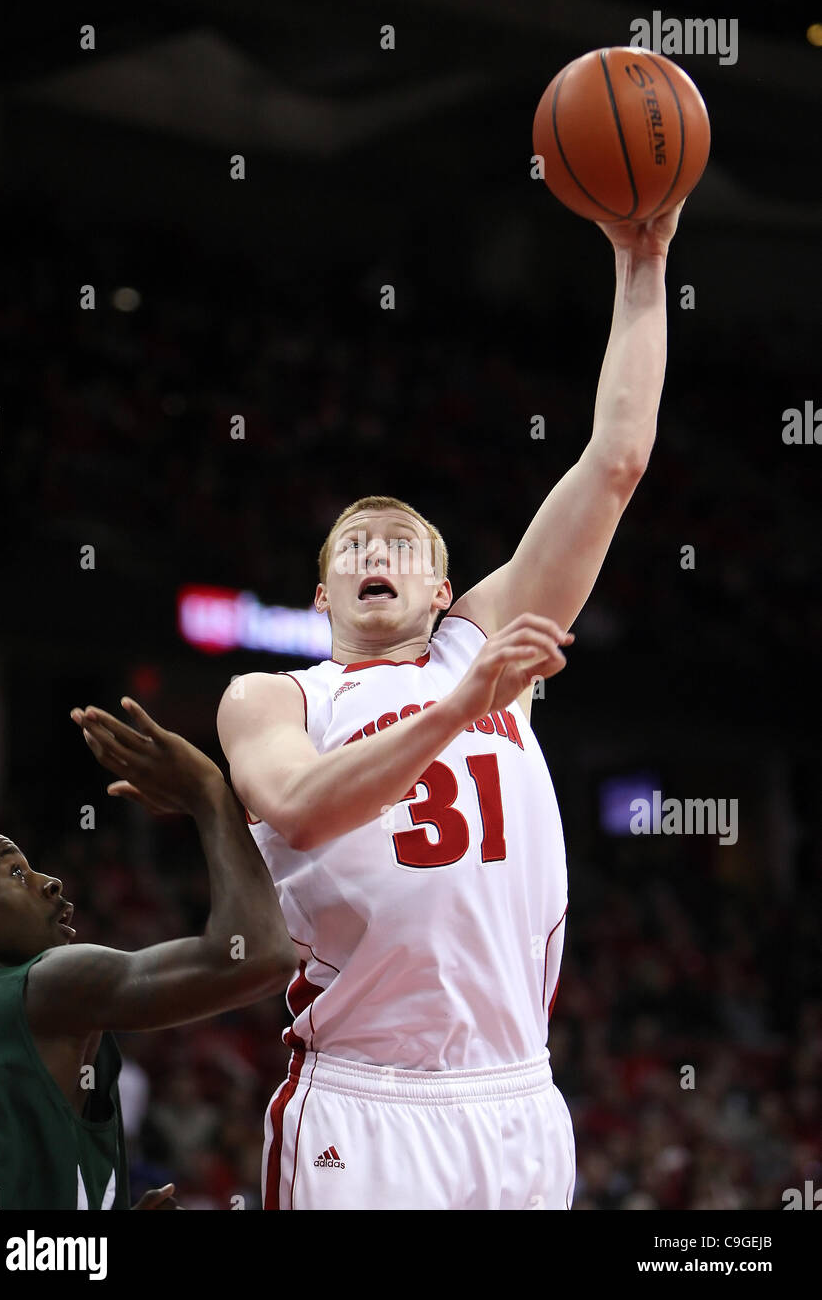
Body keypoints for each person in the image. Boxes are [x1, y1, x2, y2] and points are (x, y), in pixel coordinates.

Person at [217, 203, 684, 1210]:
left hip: (515, 1091)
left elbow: (612, 463)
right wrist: (455, 707)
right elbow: (299, 808)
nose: (374, 552)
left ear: (444, 592)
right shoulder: (273, 694)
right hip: (363, 1100)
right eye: (352, 546)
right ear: (320, 596)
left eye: (401, 545)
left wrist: (639, 266)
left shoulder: (481, 644)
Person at [0, 698, 297, 1210]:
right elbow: (259, 956)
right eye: (16, 872)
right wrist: (208, 793)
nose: (51, 882)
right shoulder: (50, 987)